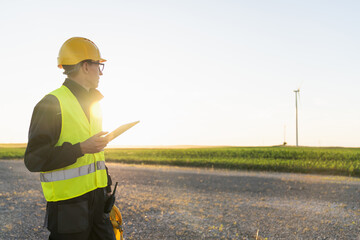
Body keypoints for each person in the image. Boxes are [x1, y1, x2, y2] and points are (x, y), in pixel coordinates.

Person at [24, 37, 115, 240]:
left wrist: (106, 193)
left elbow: (94, 161)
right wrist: (80, 148)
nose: (100, 72)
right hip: (69, 210)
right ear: (85, 66)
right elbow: (34, 159)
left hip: (98, 205)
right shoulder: (52, 104)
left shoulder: (95, 104)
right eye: (98, 66)